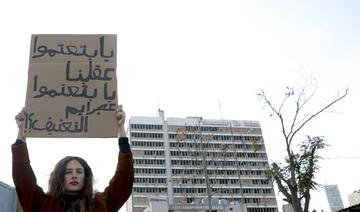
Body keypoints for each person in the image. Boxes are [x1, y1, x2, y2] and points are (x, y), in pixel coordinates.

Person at [12, 105, 134, 212]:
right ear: (59, 177)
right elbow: (23, 177)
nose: (74, 175)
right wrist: (22, 132)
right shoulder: (43, 204)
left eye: (79, 172)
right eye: (68, 172)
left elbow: (123, 180)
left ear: (85, 177)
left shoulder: (100, 205)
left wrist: (121, 130)